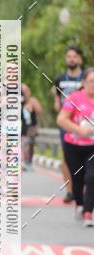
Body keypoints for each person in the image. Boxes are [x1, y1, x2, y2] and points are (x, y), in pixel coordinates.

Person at [56, 67, 94, 226]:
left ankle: (87, 212)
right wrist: (80, 130)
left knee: (91, 177)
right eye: (91, 81)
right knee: (77, 180)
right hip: (73, 145)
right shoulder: (74, 98)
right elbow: (61, 119)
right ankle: (79, 203)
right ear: (84, 82)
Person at [53, 46, 85, 203]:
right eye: (69, 56)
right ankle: (70, 190)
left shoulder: (86, 78)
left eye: (74, 56)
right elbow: (57, 101)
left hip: (85, 123)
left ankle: (84, 188)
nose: (71, 59)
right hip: (66, 123)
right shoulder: (60, 79)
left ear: (80, 59)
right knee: (66, 158)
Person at [20, 83, 42, 170]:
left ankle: (29, 161)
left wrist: (32, 106)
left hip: (31, 127)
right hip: (21, 127)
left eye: (26, 91)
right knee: (25, 144)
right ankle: (24, 162)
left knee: (31, 145)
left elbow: (39, 112)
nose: (24, 93)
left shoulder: (33, 100)